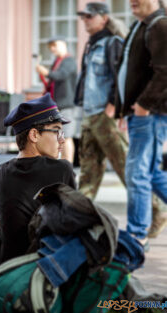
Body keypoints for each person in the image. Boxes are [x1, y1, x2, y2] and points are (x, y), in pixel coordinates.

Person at [0, 93, 77, 280]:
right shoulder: (63, 169)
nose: (62, 140)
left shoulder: (0, 172)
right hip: (50, 270)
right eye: (56, 131)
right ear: (34, 134)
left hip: (8, 273)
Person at [115, 0, 167, 245]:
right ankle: (137, 232)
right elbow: (128, 70)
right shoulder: (142, 25)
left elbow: (165, 71)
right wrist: (123, 111)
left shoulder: (160, 24)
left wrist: (144, 105)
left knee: (136, 174)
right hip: (141, 114)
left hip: (151, 114)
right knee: (152, 174)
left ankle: (136, 236)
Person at [74, 2, 128, 200]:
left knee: (124, 166)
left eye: (90, 16)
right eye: (84, 17)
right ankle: (79, 218)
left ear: (104, 18)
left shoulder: (113, 43)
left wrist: (112, 107)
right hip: (90, 114)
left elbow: (121, 77)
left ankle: (158, 210)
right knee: (88, 172)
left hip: (105, 116)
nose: (85, 20)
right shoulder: (91, 45)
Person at [36, 37, 80, 163]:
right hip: (56, 104)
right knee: (57, 136)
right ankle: (60, 164)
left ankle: (68, 165)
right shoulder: (58, 61)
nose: (52, 49)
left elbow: (60, 75)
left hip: (66, 105)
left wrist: (46, 72)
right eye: (51, 47)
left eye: (55, 45)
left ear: (64, 45)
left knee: (66, 136)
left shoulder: (69, 61)